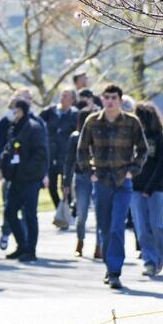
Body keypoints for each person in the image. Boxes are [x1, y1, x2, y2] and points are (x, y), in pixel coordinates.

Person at [76, 85, 149, 290]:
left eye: (113, 98)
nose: (110, 101)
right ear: (101, 99)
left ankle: (115, 271)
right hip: (101, 182)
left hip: (122, 181)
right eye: (106, 97)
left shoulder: (131, 122)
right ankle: (109, 268)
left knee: (118, 227)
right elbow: (81, 151)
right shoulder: (92, 121)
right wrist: (90, 173)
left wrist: (132, 171)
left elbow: (143, 150)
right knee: (105, 228)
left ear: (119, 100)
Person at [0, 98, 48, 262]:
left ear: (20, 110)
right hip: (16, 179)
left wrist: (28, 172)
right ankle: (21, 245)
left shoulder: (34, 128)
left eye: (12, 108)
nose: (10, 111)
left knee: (30, 215)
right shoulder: (14, 128)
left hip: (30, 180)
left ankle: (30, 249)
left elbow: (41, 155)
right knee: (10, 212)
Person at [130, 102, 163, 277]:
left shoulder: (159, 138)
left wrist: (149, 188)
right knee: (142, 227)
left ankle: (159, 259)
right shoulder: (132, 137)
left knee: (156, 225)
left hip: (155, 190)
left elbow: (162, 165)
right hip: (135, 189)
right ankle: (149, 261)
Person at [65, 105, 100, 258]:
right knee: (82, 212)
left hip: (98, 176)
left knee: (101, 213)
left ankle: (100, 246)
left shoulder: (100, 135)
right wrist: (66, 182)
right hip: (81, 177)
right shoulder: (75, 137)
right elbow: (69, 160)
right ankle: (80, 241)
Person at [40, 90, 79, 214]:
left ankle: (69, 210)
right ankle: (59, 209)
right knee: (52, 186)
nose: (63, 98)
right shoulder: (50, 112)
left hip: (66, 155)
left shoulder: (74, 114)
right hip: (51, 154)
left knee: (66, 185)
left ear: (72, 100)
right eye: (62, 95)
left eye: (66, 96)